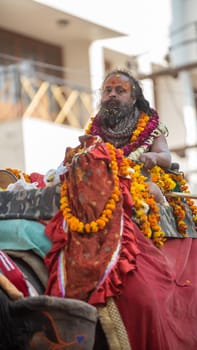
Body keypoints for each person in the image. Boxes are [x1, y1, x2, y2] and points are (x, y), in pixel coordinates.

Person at [44, 69, 197, 350]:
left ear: (134, 97)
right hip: (106, 187)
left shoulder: (149, 123)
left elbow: (165, 156)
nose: (112, 95)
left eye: (120, 90)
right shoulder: (95, 128)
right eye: (107, 90)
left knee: (150, 193)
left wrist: (152, 156)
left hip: (145, 181)